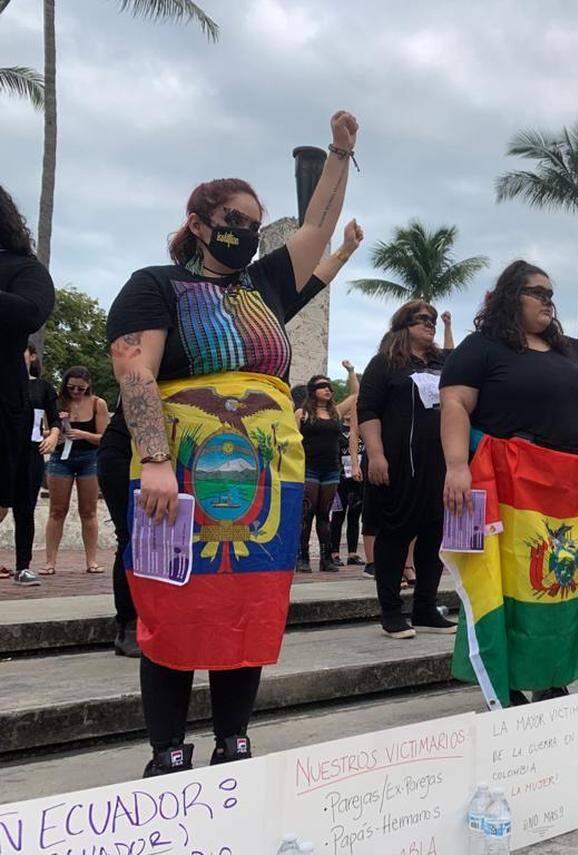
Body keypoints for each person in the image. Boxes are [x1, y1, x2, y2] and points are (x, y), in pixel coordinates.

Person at [104, 109, 358, 776]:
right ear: (199, 223)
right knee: (172, 599)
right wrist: (156, 460)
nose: (246, 232)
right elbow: (135, 373)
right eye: (235, 220)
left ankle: (234, 738)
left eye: (254, 222)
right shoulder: (154, 286)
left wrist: (339, 153)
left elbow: (318, 229)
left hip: (265, 475)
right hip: (176, 473)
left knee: (246, 603)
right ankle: (167, 748)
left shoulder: (265, 285)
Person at [440, 261, 578, 708]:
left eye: (552, 294)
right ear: (511, 297)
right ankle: (505, 680)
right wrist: (456, 466)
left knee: (559, 584)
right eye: (537, 293)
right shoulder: (482, 347)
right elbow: (454, 401)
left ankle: (551, 674)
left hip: (565, 489)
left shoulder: (562, 351)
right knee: (506, 583)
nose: (548, 302)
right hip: (506, 486)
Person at [357, 300, 456, 639]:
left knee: (434, 534)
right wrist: (376, 454)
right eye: (421, 319)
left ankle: (426, 607)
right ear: (403, 325)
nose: (429, 324)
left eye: (432, 319)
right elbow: (367, 410)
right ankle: (391, 611)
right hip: (398, 461)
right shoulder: (385, 364)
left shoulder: (444, 364)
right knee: (396, 534)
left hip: (439, 463)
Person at [0, 184, 56, 587]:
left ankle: (23, 563)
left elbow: (31, 312)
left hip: (4, 399)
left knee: (11, 498)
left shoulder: (24, 268)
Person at [0, 346, 61, 583]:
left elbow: (54, 417)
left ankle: (23, 566)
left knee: (25, 510)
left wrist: (54, 436)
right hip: (4, 452)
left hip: (31, 453)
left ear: (31, 356)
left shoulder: (42, 387)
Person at [41, 366, 108, 575]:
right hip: (61, 459)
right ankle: (50, 561)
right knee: (57, 510)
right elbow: (45, 429)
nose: (76, 392)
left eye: (81, 388)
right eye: (71, 388)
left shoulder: (98, 404)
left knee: (88, 511)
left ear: (88, 386)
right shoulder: (57, 403)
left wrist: (82, 434)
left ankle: (91, 561)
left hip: (89, 458)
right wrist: (54, 434)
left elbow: (103, 437)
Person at [295, 365, 358, 574]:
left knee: (324, 515)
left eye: (329, 386)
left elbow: (356, 395)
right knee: (307, 512)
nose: (327, 389)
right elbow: (293, 442)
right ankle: (302, 557)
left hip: (331, 469)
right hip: (309, 468)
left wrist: (350, 372)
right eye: (322, 386)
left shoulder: (336, 413)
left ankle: (326, 558)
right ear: (313, 391)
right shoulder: (302, 413)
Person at [329, 393, 364, 568]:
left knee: (355, 515)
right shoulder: (338, 431)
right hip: (340, 477)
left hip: (357, 478)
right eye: (348, 410)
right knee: (338, 515)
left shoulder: (361, 432)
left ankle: (352, 553)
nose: (351, 412)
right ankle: (334, 552)